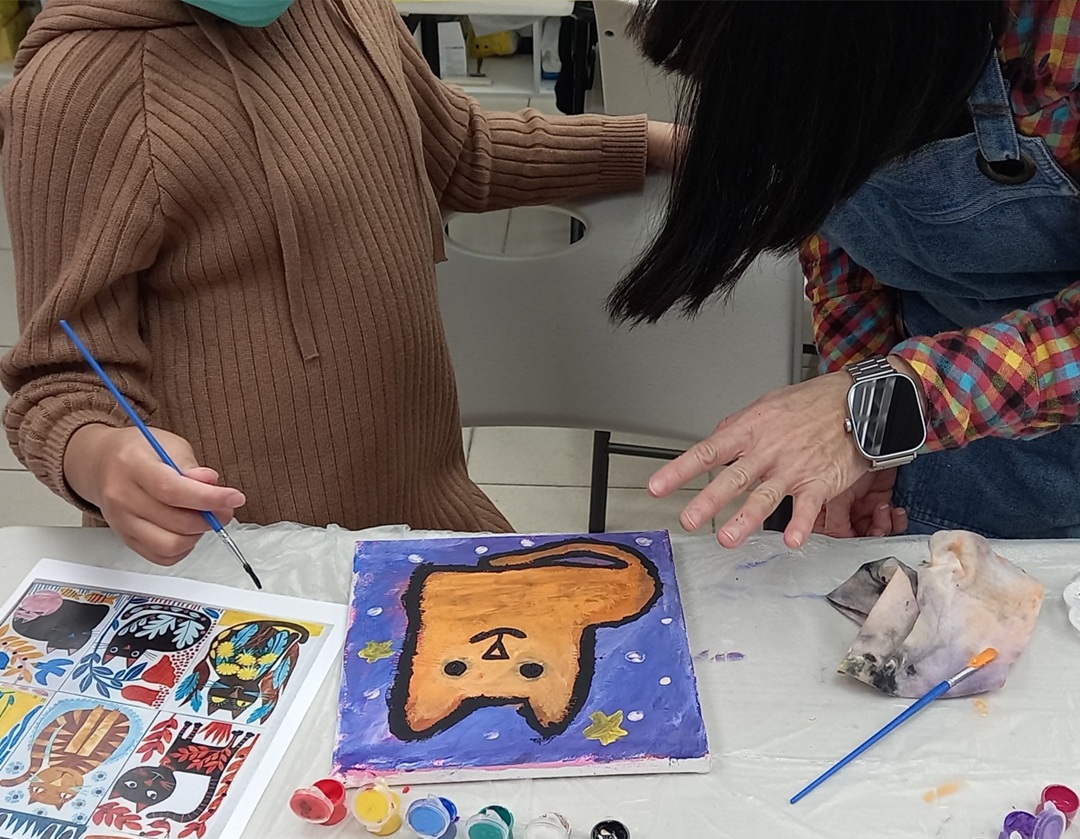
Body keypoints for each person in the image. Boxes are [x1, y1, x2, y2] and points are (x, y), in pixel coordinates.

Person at [0, 0, 672, 565]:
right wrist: (100, 457)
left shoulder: (348, 9)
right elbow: (58, 377)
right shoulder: (76, 90)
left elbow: (459, 152)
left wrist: (655, 144)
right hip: (240, 564)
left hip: (427, 520)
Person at [608, 0, 1080, 550]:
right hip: (923, 451)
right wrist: (863, 425)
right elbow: (836, 205)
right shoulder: (836, 66)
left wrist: (877, 406)